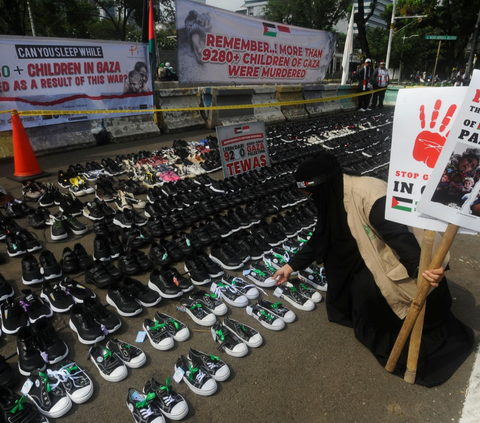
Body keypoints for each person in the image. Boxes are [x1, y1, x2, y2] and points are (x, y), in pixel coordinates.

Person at [273, 152, 474, 387]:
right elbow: (322, 235)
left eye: (309, 194)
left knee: (369, 297)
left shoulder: (369, 195)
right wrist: (291, 265)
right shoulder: (334, 194)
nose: (308, 198)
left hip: (396, 263)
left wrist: (422, 268)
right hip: (368, 254)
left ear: (322, 187)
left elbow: (399, 236)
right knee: (348, 279)